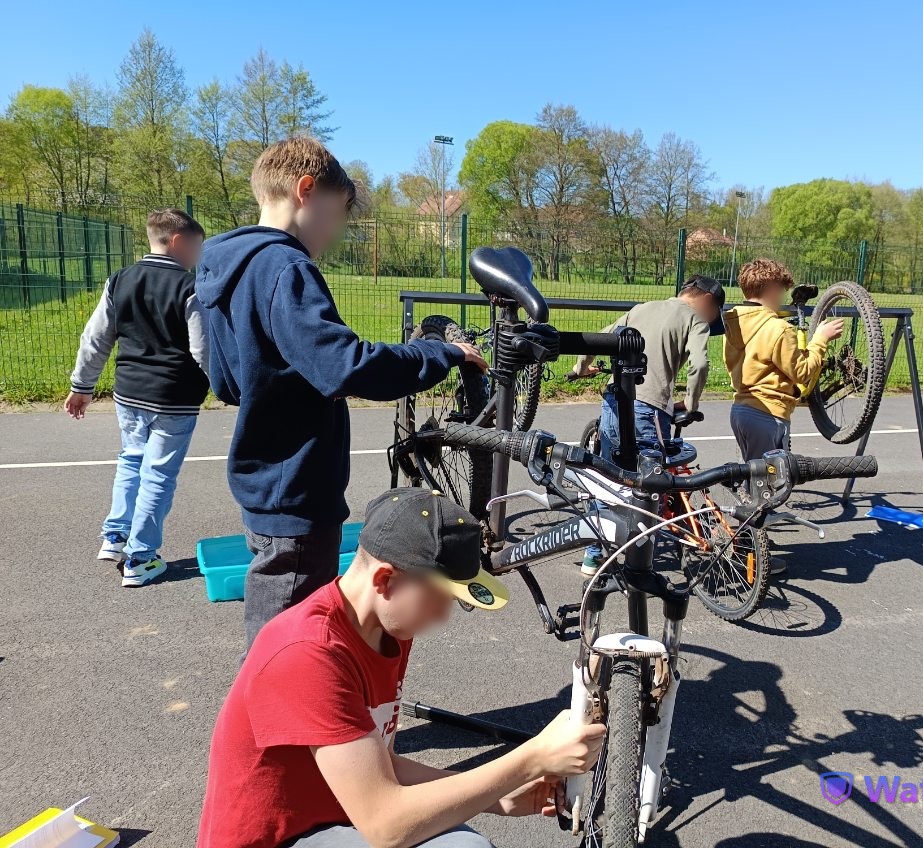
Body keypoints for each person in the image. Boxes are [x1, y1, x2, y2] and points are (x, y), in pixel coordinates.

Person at [194, 137, 487, 649]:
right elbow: (347, 366)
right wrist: (441, 355)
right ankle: (282, 730)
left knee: (282, 623)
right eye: (337, 215)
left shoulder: (227, 265)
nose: (334, 232)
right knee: (288, 644)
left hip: (265, 475)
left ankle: (292, 723)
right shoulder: (284, 268)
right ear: (306, 191)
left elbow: (227, 379)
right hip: (297, 484)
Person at [198, 488, 606, 848]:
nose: (445, 616)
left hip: (332, 816)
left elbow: (383, 766)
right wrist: (531, 758)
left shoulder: (384, 628)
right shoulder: (308, 653)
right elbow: (387, 826)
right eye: (440, 597)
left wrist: (498, 798)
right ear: (386, 581)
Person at [65, 208, 208, 587]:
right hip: (174, 398)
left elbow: (96, 338)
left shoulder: (120, 279)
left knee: (131, 461)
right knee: (158, 475)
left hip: (129, 394)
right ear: (178, 242)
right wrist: (233, 389)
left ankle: (115, 536)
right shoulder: (190, 287)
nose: (198, 255)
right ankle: (141, 558)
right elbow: (203, 350)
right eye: (197, 246)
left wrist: (82, 385)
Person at [571, 275, 724, 574]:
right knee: (650, 487)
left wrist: (581, 367)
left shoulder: (640, 308)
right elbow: (701, 364)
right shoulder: (695, 319)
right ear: (708, 302)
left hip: (614, 403)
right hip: (648, 408)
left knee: (607, 479)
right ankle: (640, 566)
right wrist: (691, 403)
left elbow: (598, 337)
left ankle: (594, 554)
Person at [725, 258, 844, 461]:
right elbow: (802, 372)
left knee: (755, 476)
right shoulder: (779, 328)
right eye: (781, 291)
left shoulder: (732, 321)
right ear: (772, 290)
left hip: (740, 411)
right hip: (767, 413)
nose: (782, 298)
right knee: (769, 484)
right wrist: (821, 339)